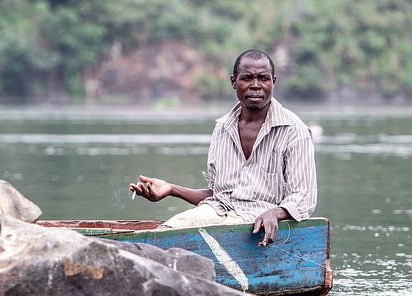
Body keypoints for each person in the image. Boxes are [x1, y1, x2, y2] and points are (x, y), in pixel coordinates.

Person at [129, 49, 317, 246]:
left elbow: (303, 199)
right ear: (234, 82)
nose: (256, 85)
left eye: (263, 78)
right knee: (162, 235)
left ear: (273, 82)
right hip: (216, 213)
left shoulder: (294, 130)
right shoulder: (222, 128)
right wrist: (171, 189)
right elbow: (218, 194)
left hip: (258, 224)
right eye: (247, 78)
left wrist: (276, 213)